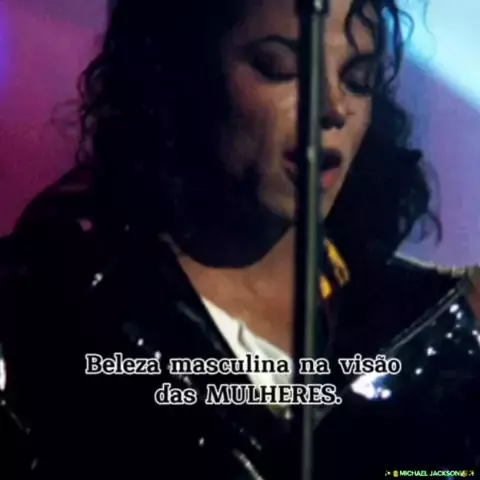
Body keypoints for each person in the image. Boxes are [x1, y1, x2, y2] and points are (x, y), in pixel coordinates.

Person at [1, 0, 479, 478]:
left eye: (358, 78)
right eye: (279, 68)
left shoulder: (432, 324)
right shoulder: (51, 315)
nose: (332, 107)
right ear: (181, 71)